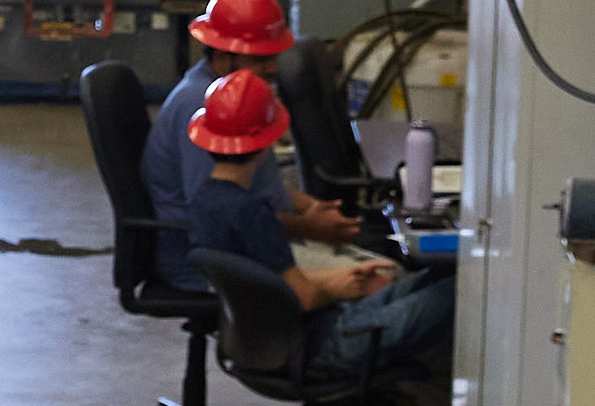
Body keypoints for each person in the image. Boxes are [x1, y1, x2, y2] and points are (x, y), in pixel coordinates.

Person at [179, 69, 448, 388]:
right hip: (322, 345)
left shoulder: (203, 201)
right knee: (457, 292)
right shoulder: (255, 215)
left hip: (271, 339)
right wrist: (340, 287)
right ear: (265, 144)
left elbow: (263, 282)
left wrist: (346, 277)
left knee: (432, 280)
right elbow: (304, 298)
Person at [153, 0, 360, 244]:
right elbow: (217, 216)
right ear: (222, 58)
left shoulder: (237, 99)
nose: (274, 69)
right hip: (211, 264)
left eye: (274, 56)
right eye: (260, 59)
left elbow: (251, 187)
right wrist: (308, 228)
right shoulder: (203, 107)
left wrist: (308, 206)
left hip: (252, 243)